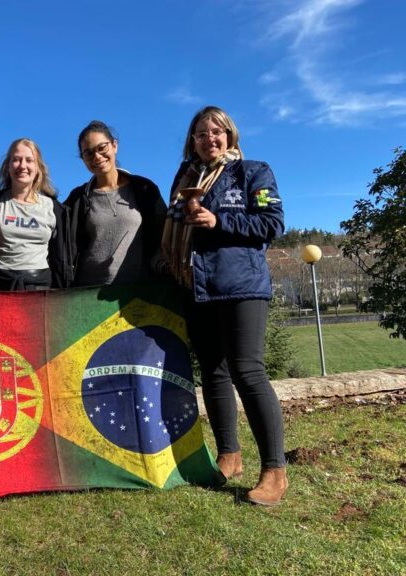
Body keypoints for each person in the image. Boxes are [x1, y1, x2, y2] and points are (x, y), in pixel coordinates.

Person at [163, 105, 288, 506]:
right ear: (192, 142)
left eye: (216, 132)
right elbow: (172, 231)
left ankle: (274, 470)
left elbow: (272, 224)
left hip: (242, 286)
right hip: (197, 287)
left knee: (247, 370)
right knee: (214, 375)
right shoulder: (185, 181)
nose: (209, 139)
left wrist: (220, 221)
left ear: (230, 136)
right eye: (201, 134)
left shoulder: (252, 172)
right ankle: (229, 456)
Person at [65, 121, 167, 287]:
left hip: (139, 293)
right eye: (88, 153)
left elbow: (164, 234)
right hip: (87, 294)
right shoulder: (77, 199)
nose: (97, 156)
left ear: (114, 146)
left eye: (102, 147)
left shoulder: (144, 190)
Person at [0, 138, 71, 290]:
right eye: (16, 160)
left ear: (38, 167)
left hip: (40, 288)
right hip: (0, 287)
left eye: (29, 160)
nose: (22, 166)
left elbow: (61, 258)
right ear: (8, 166)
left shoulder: (54, 209)